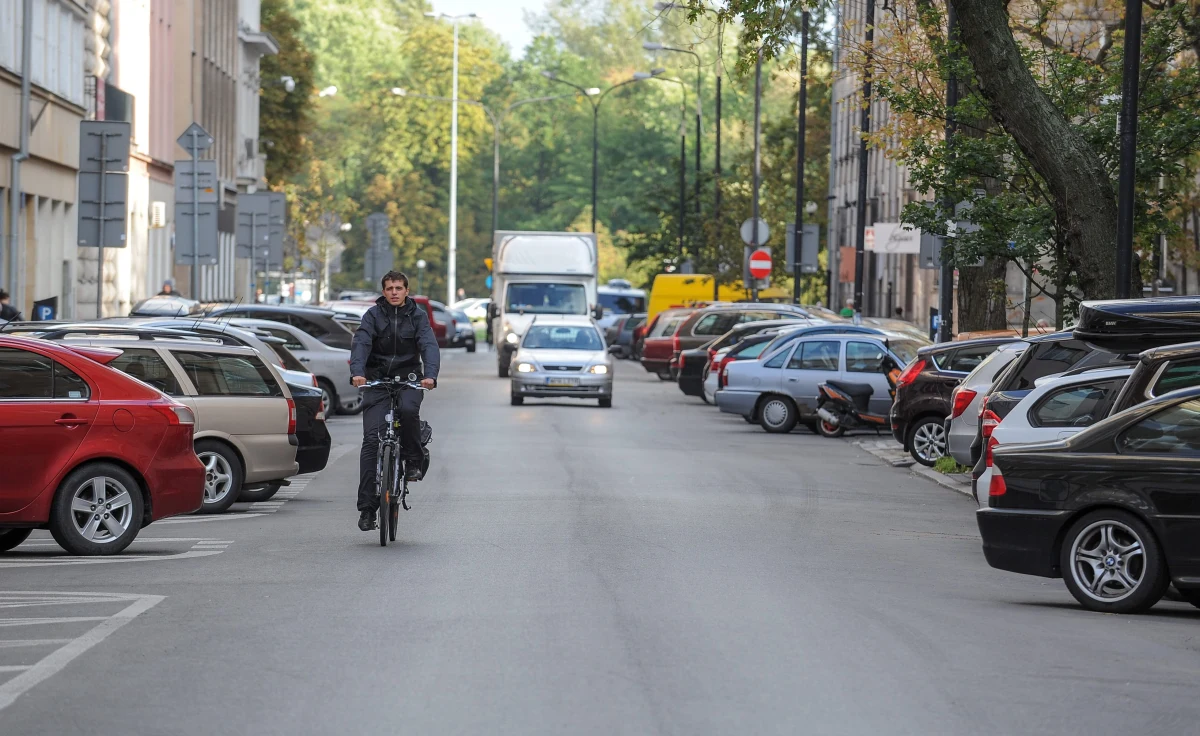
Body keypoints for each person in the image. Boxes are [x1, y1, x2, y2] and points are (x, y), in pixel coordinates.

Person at [350, 271, 440, 531]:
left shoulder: (418, 317)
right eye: (389, 288)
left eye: (398, 288)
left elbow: (429, 346)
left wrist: (430, 376)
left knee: (409, 410)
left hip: (409, 379)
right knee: (370, 441)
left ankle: (413, 460)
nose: (394, 292)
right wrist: (358, 372)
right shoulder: (373, 316)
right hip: (377, 381)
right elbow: (361, 343)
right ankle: (368, 509)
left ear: (406, 291)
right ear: (383, 291)